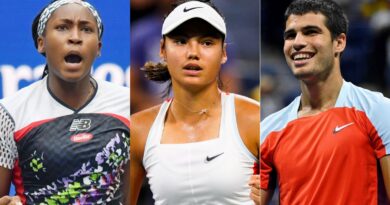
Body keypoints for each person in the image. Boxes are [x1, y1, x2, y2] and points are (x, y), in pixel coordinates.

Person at [260, 0, 390, 204]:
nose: (298, 42)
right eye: (290, 35)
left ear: (339, 42)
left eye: (311, 32)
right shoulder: (268, 130)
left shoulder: (379, 111)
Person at [0, 0, 130, 204]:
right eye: (62, 27)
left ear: (98, 47)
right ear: (41, 42)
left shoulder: (127, 104)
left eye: (86, 29)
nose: (75, 37)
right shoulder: (9, 112)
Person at [130, 0, 260, 204]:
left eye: (207, 42)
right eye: (181, 41)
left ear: (224, 53)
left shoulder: (254, 120)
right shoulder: (138, 130)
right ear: (162, 50)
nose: (193, 52)